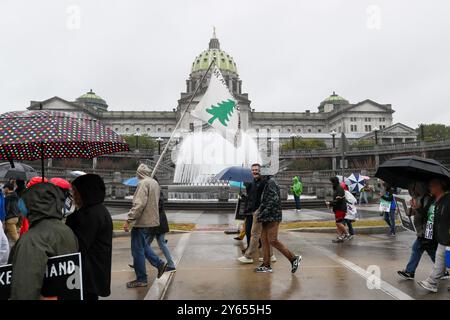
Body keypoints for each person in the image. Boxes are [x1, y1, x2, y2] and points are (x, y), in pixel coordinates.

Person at [8, 182, 78, 300]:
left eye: (25, 200)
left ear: (33, 204)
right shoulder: (67, 231)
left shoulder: (31, 239)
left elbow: (24, 290)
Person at [66, 174, 113, 300]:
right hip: (95, 272)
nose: (74, 196)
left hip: (87, 275)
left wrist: (71, 218)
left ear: (86, 192)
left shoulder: (89, 215)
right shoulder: (99, 210)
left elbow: (77, 245)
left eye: (76, 192)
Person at [123, 164, 167, 288]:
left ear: (139, 173)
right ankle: (159, 264)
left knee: (137, 251)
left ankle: (141, 279)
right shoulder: (154, 183)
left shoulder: (143, 184)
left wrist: (129, 220)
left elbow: (139, 204)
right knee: (142, 246)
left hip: (141, 222)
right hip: (151, 221)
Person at [397, 181, 444, 280]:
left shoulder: (428, 199)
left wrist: (417, 208)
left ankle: (410, 271)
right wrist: (410, 211)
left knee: (417, 249)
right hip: (422, 230)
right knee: (431, 251)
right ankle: (442, 271)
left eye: (415, 188)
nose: (413, 190)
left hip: (427, 230)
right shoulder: (419, 198)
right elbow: (414, 212)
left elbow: (427, 213)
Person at [256, 174, 301, 273]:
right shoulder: (266, 182)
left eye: (258, 171)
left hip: (272, 216)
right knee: (264, 240)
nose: (256, 173)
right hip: (266, 217)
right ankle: (266, 265)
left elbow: (274, 199)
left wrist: (263, 212)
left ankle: (293, 258)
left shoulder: (271, 182)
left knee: (272, 240)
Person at [418, 178, 450, 293]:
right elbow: (426, 214)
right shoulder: (433, 200)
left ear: (440, 185)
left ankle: (432, 282)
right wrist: (417, 208)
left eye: (432, 185)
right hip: (440, 237)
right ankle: (432, 283)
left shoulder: (448, 199)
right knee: (440, 261)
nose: (429, 187)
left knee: (444, 261)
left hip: (447, 237)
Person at [237, 163, 274, 264]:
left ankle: (250, 255)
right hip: (251, 211)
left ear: (260, 171)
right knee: (254, 234)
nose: (254, 171)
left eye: (256, 170)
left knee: (257, 234)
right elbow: (251, 198)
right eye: (252, 170)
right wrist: (243, 196)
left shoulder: (263, 182)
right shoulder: (253, 182)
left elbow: (264, 197)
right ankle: (266, 254)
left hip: (259, 212)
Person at [148, 177, 176, 273]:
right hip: (157, 222)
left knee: (148, 244)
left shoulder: (156, 191)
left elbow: (158, 206)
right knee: (147, 244)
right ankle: (138, 263)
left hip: (157, 222)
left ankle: (169, 264)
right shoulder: (156, 190)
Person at [327, 177, 349, 243]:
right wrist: (331, 204)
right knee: (338, 224)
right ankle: (340, 237)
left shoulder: (339, 189)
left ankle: (347, 234)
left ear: (334, 182)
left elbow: (338, 200)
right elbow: (336, 200)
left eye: (332, 182)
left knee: (338, 223)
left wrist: (330, 203)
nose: (331, 184)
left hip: (340, 208)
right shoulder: (337, 188)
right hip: (338, 208)